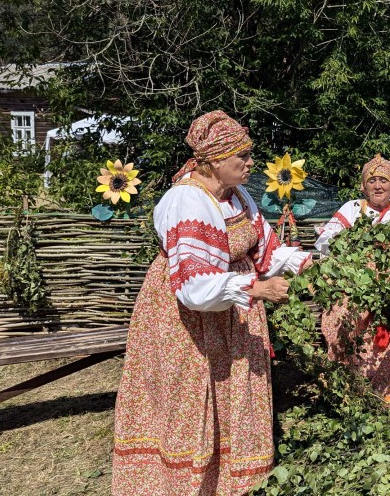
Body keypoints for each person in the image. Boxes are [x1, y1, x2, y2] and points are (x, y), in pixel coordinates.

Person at [111, 110, 313, 495]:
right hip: (185, 318)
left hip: (234, 306)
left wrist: (310, 266)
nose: (251, 163)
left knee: (236, 391)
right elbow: (193, 285)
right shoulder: (187, 201)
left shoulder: (239, 196)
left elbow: (267, 250)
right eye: (243, 157)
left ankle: (237, 483)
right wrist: (255, 288)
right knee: (192, 394)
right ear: (216, 160)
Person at [315, 154, 390, 417]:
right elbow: (325, 242)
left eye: (384, 181)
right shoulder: (353, 209)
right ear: (364, 186)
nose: (378, 186)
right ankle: (351, 392)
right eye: (372, 181)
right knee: (342, 316)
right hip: (355, 285)